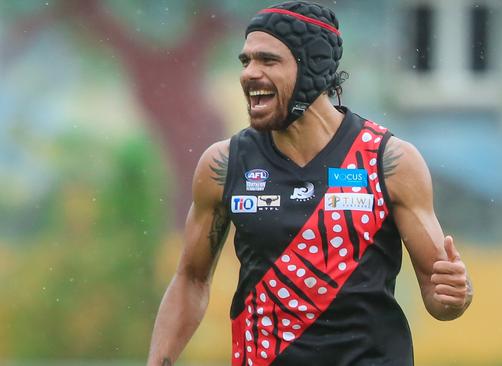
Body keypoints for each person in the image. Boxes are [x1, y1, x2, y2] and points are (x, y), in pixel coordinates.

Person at [146, 1, 473, 365]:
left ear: (312, 68)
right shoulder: (224, 164)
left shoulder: (390, 161)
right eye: (246, 61)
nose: (249, 74)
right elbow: (191, 280)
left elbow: (439, 294)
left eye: (268, 61)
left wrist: (455, 295)